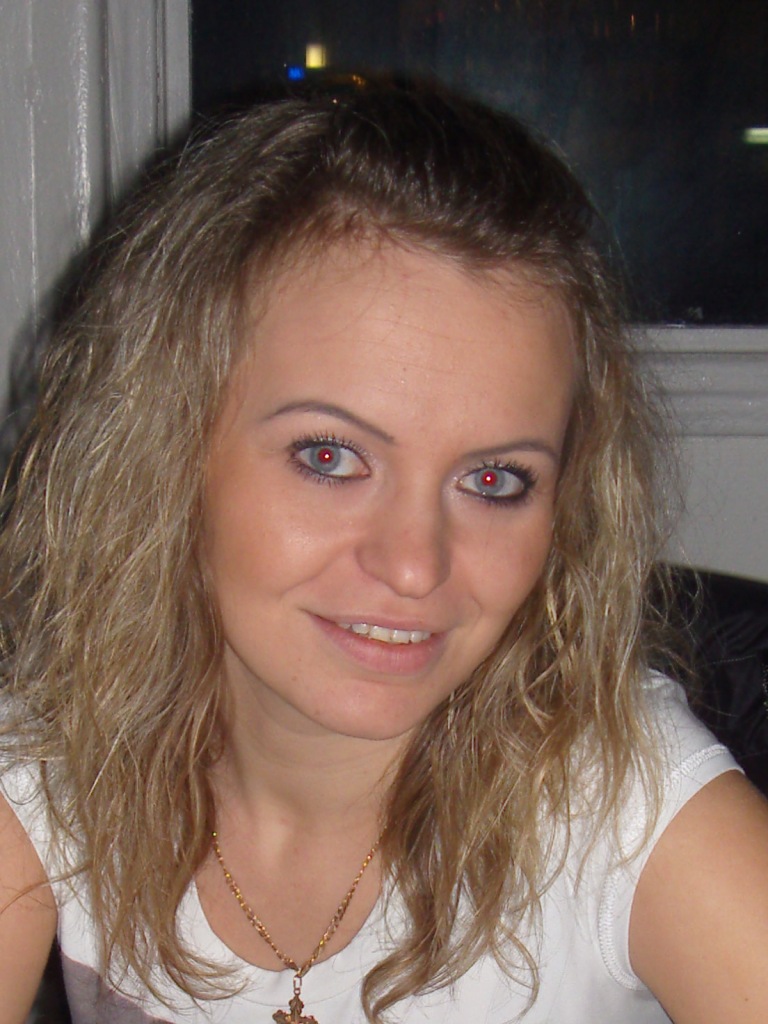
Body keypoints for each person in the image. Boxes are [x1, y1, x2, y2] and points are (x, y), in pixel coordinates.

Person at [0, 85, 767, 1024]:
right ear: (168, 450)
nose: (414, 567)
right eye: (330, 457)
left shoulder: (622, 813)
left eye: (495, 480)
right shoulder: (59, 760)